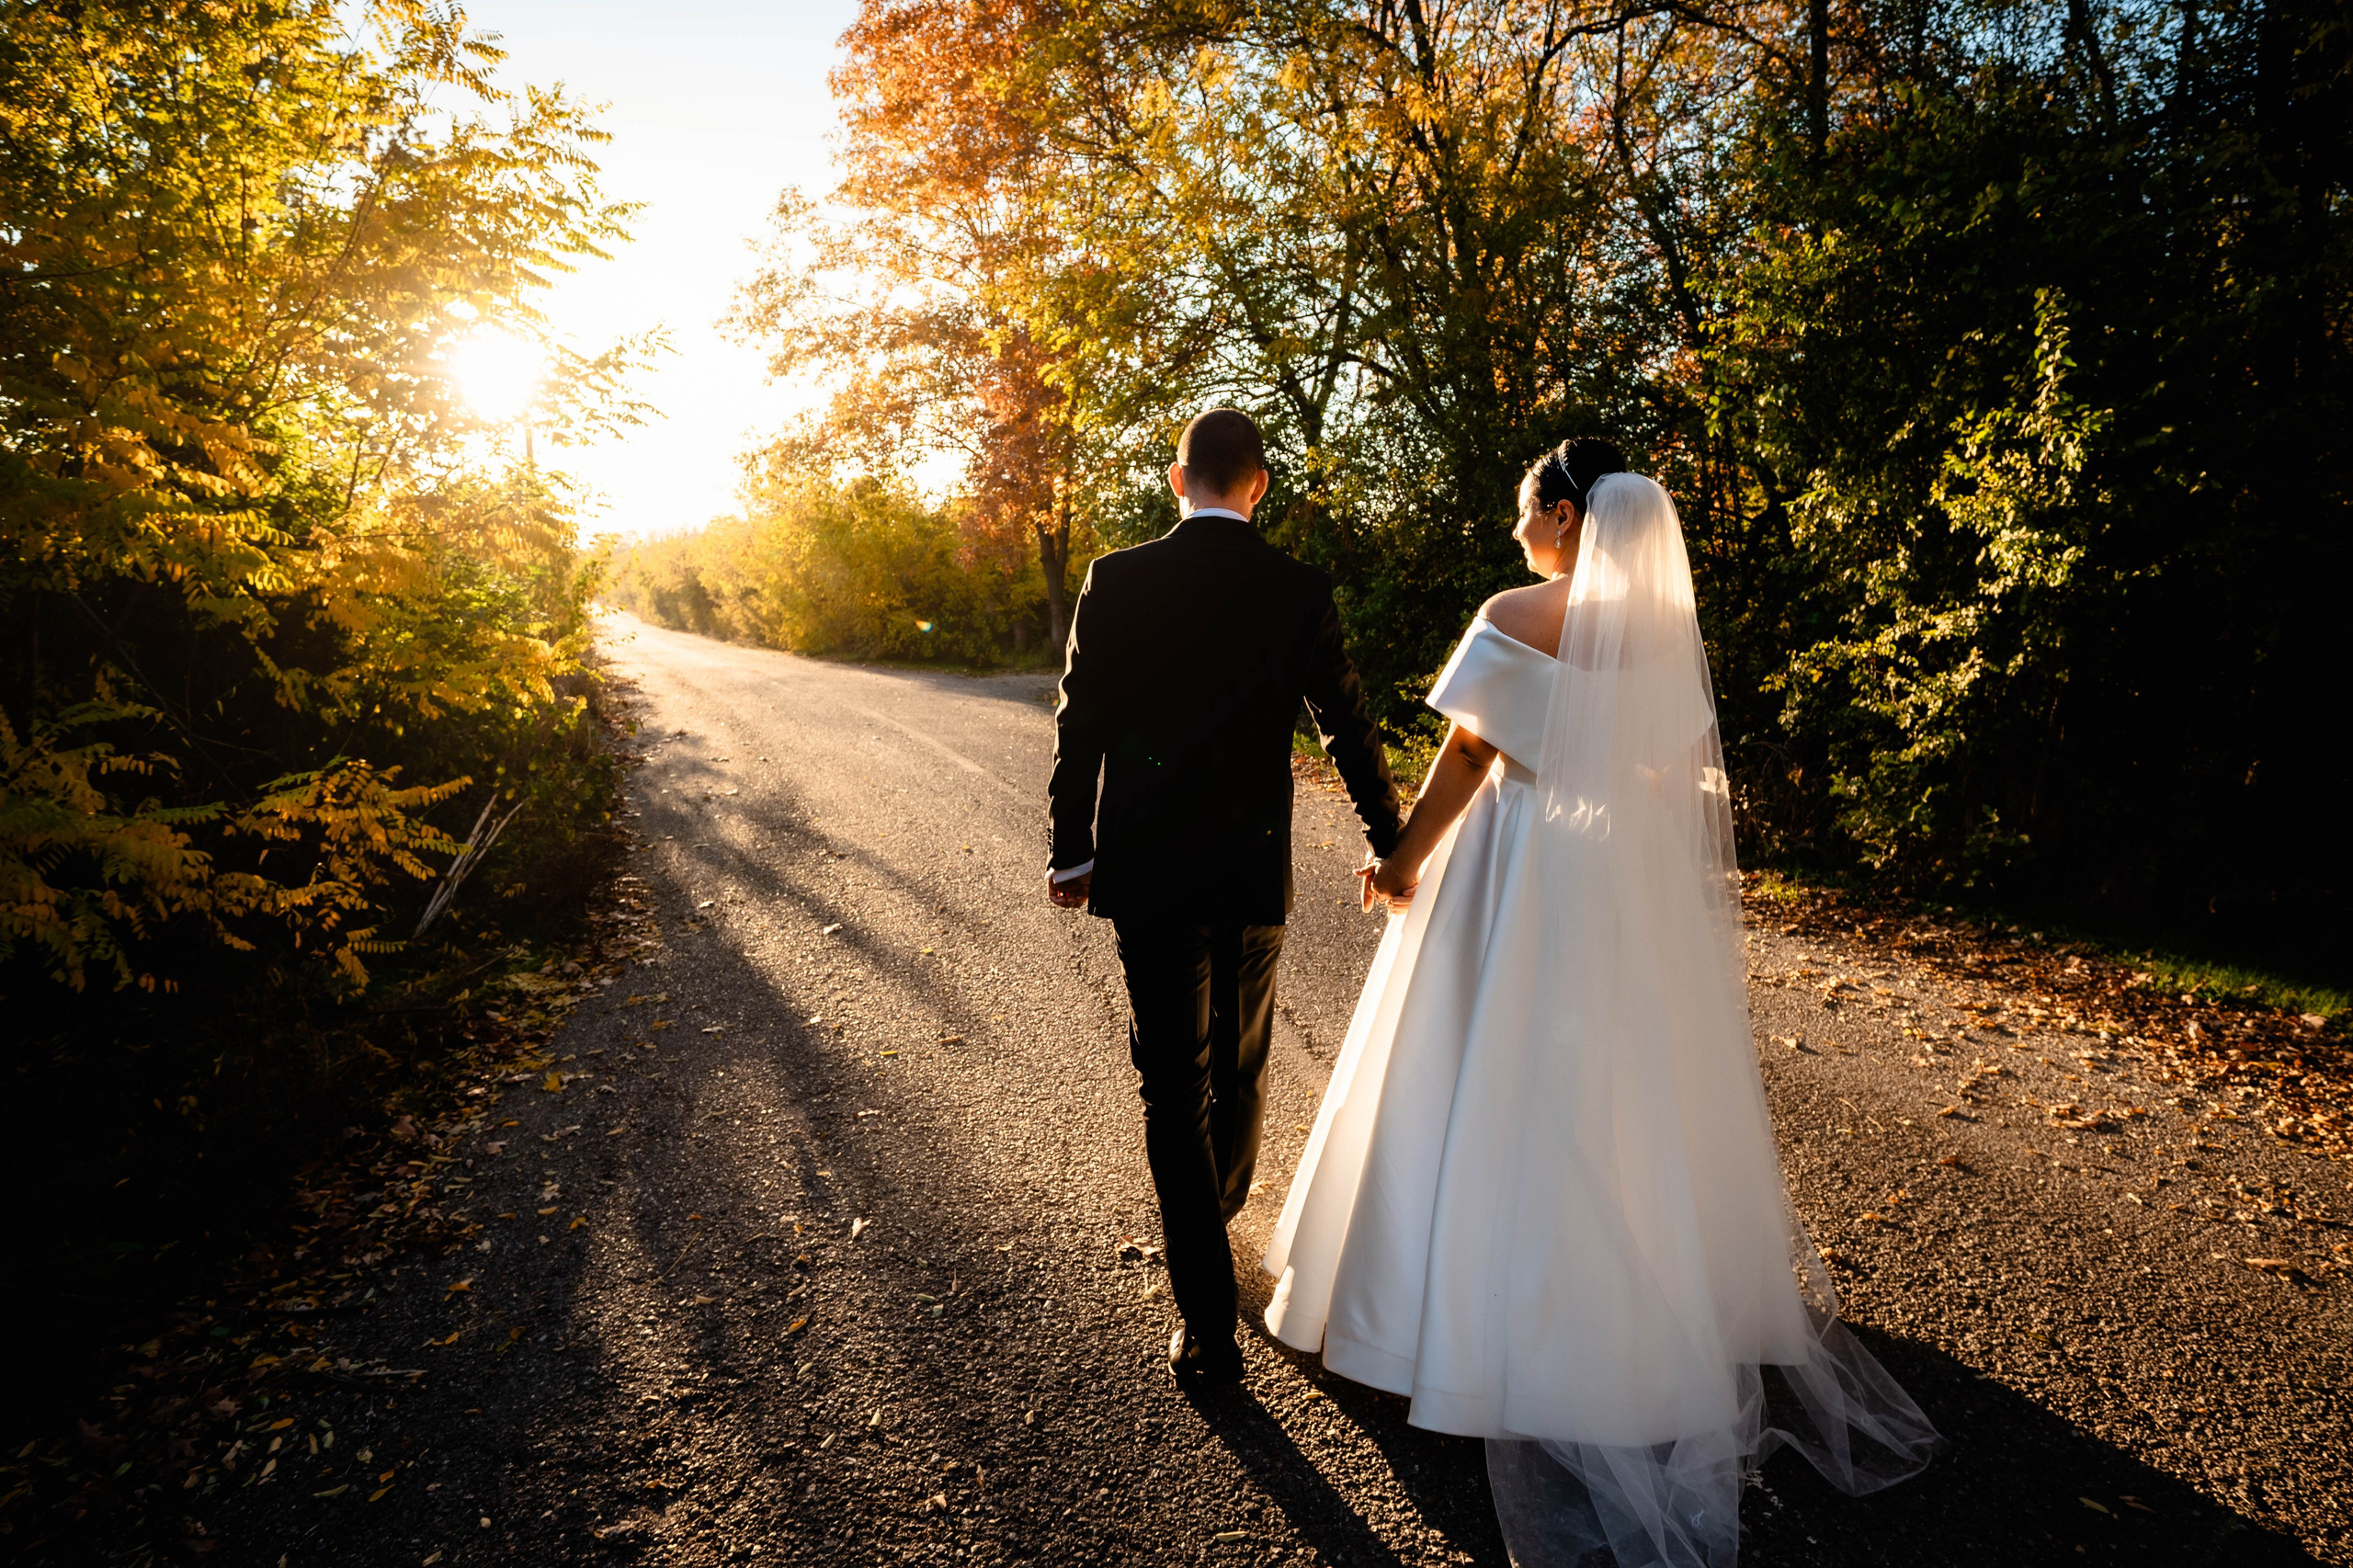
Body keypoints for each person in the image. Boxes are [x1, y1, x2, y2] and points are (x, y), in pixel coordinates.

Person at [1261, 439, 1942, 1564]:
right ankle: (1633, 1309)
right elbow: (1668, 779)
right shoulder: (1661, 636)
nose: (1517, 524)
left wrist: (1401, 858)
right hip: (1617, 871)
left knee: (1470, 1064)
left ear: (1568, 516)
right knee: (1610, 1084)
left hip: (1514, 857)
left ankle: (1437, 1316)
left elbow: (1470, 750)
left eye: (1528, 507)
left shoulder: (1516, 611)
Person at [1045, 408, 1403, 1385]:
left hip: (1150, 871)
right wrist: (1390, 836)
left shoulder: (1116, 578)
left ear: (1177, 479)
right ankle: (1215, 1214)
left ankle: (1205, 1323)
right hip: (1250, 871)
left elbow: (1082, 724)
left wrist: (1069, 849)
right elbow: (1347, 723)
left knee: (1172, 1087)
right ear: (1261, 484)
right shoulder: (1296, 590)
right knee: (1240, 1067)